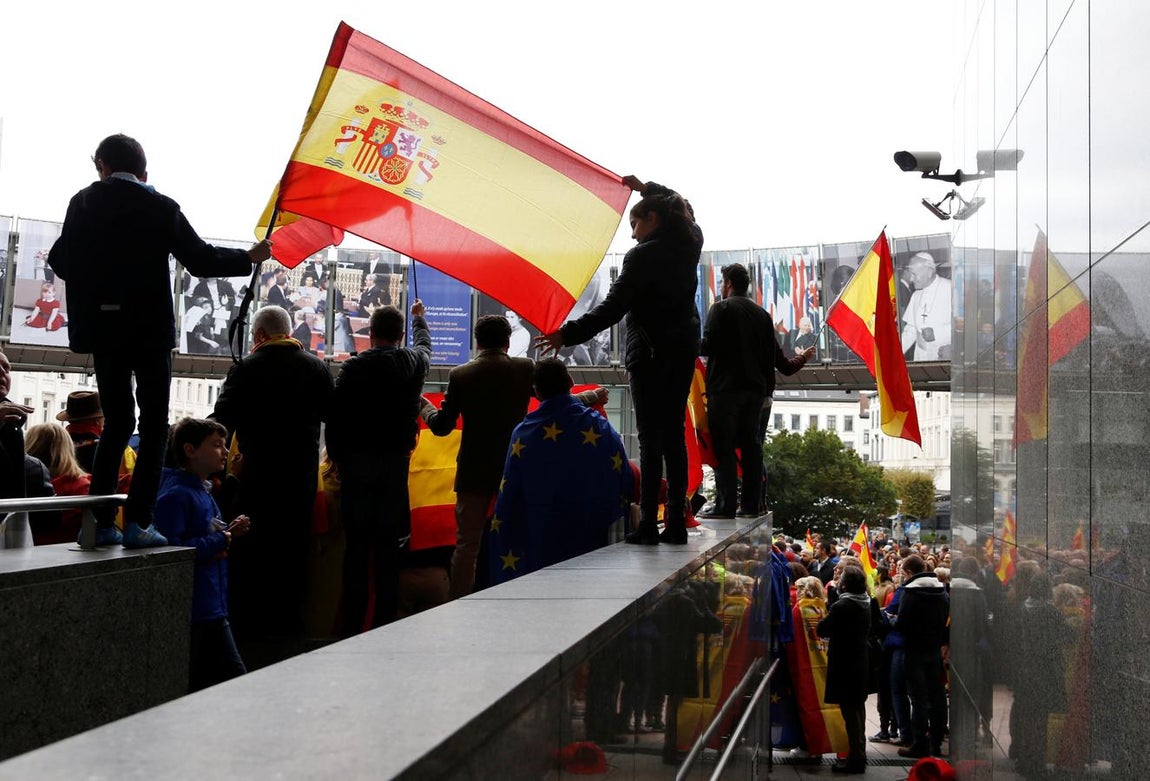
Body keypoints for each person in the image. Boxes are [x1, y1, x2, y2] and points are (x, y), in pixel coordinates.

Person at [46, 133, 271, 548]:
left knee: (116, 423)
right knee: (152, 426)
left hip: (103, 331)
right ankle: (138, 523)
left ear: (102, 167)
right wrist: (248, 258)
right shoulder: (161, 206)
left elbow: (59, 260)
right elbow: (201, 259)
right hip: (149, 332)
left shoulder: (82, 203)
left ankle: (98, 525)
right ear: (145, 171)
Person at [537, 176, 701, 545]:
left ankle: (647, 526)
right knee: (674, 434)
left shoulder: (642, 256)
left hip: (649, 353)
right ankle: (676, 522)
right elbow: (681, 204)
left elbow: (613, 308)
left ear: (654, 219)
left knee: (650, 438)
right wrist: (647, 187)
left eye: (635, 224)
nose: (632, 234)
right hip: (682, 351)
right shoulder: (693, 241)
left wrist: (568, 334)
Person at [421, 315, 605, 599]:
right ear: (508, 341)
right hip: (517, 470)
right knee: (521, 537)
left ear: (477, 341)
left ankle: (458, 603)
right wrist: (592, 396)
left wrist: (423, 406)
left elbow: (441, 427)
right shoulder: (524, 368)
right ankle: (522, 597)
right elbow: (555, 404)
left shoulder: (460, 375)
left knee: (467, 545)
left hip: (473, 472)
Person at [210, 304, 334, 666]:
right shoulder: (317, 368)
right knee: (293, 550)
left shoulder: (245, 369)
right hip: (300, 480)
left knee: (254, 548)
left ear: (260, 336)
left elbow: (223, 421)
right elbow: (335, 419)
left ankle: (251, 627)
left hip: (256, 477)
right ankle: (288, 626)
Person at [327, 300, 430, 635]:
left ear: (369, 335)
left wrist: (340, 461)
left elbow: (336, 419)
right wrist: (420, 321)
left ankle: (351, 627)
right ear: (400, 335)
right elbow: (425, 347)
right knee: (389, 549)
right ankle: (385, 624)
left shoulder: (353, 368)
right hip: (395, 469)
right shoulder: (413, 362)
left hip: (357, 468)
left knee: (356, 549)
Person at [487, 359, 632, 585]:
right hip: (589, 548)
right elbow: (624, 479)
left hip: (540, 548)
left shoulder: (523, 434)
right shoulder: (600, 427)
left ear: (536, 392)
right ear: (570, 381)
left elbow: (510, 496)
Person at [699, 262, 812, 519]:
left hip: (725, 391)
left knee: (724, 447)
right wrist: (803, 358)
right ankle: (751, 506)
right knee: (751, 447)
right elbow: (781, 362)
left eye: (721, 283)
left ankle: (725, 506)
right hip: (755, 393)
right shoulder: (763, 315)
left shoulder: (721, 308)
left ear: (728, 284)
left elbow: (707, 346)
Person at [153, 418, 251, 692]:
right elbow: (174, 549)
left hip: (208, 602)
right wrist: (221, 539)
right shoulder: (178, 495)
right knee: (232, 677)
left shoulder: (197, 491)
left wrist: (227, 533)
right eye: (217, 445)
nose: (225, 452)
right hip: (199, 604)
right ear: (190, 450)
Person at [891, 554, 950, 759]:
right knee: (937, 697)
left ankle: (919, 743)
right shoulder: (942, 590)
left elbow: (902, 624)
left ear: (908, 573)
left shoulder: (911, 592)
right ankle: (936, 742)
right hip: (933, 650)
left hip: (914, 651)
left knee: (918, 699)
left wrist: (890, 620)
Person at [817, 567, 872, 774]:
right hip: (860, 660)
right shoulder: (865, 600)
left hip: (844, 662)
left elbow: (822, 629)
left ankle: (855, 759)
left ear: (845, 584)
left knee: (849, 711)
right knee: (858, 708)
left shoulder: (843, 604)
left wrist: (830, 605)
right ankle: (860, 753)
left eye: (840, 579)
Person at [25, 422, 91, 545]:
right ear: (68, 448)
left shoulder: (21, 484)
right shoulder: (82, 487)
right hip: (70, 556)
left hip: (23, 553)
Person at [899, 253, 952, 361]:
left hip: (944, 356)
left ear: (929, 272)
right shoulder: (916, 295)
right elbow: (911, 330)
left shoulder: (950, 288)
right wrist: (894, 354)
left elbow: (965, 326)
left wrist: (937, 333)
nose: (912, 279)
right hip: (921, 357)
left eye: (914, 274)